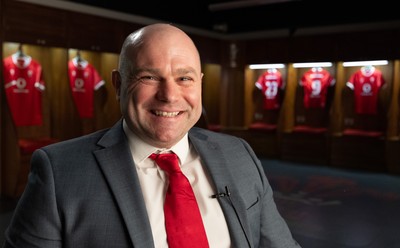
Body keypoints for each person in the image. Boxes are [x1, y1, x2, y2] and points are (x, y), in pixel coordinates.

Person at [3, 23, 301, 248]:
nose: (169, 95)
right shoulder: (59, 172)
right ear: (119, 85)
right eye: (149, 77)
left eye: (184, 78)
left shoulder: (240, 154)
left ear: (199, 83)